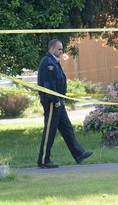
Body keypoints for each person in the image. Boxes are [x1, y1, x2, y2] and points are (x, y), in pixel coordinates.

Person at [37, 39, 93, 168]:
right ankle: (44, 160)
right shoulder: (48, 63)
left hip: (58, 102)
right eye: (59, 49)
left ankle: (78, 153)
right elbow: (49, 85)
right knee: (50, 131)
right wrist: (55, 100)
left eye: (62, 49)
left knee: (67, 128)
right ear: (51, 49)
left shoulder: (54, 62)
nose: (61, 52)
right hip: (52, 102)